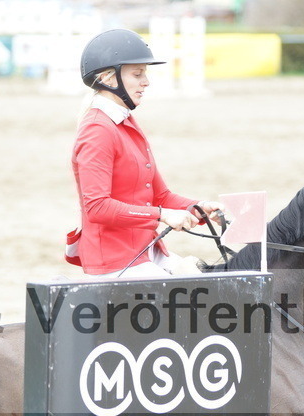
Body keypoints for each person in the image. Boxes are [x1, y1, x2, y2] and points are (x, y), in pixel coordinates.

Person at [67, 28, 224, 278]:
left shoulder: (126, 122)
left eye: (145, 74)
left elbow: (160, 195)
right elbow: (97, 207)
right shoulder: (97, 130)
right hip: (116, 262)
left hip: (148, 252)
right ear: (109, 79)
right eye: (137, 74)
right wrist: (162, 215)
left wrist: (200, 208)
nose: (146, 82)